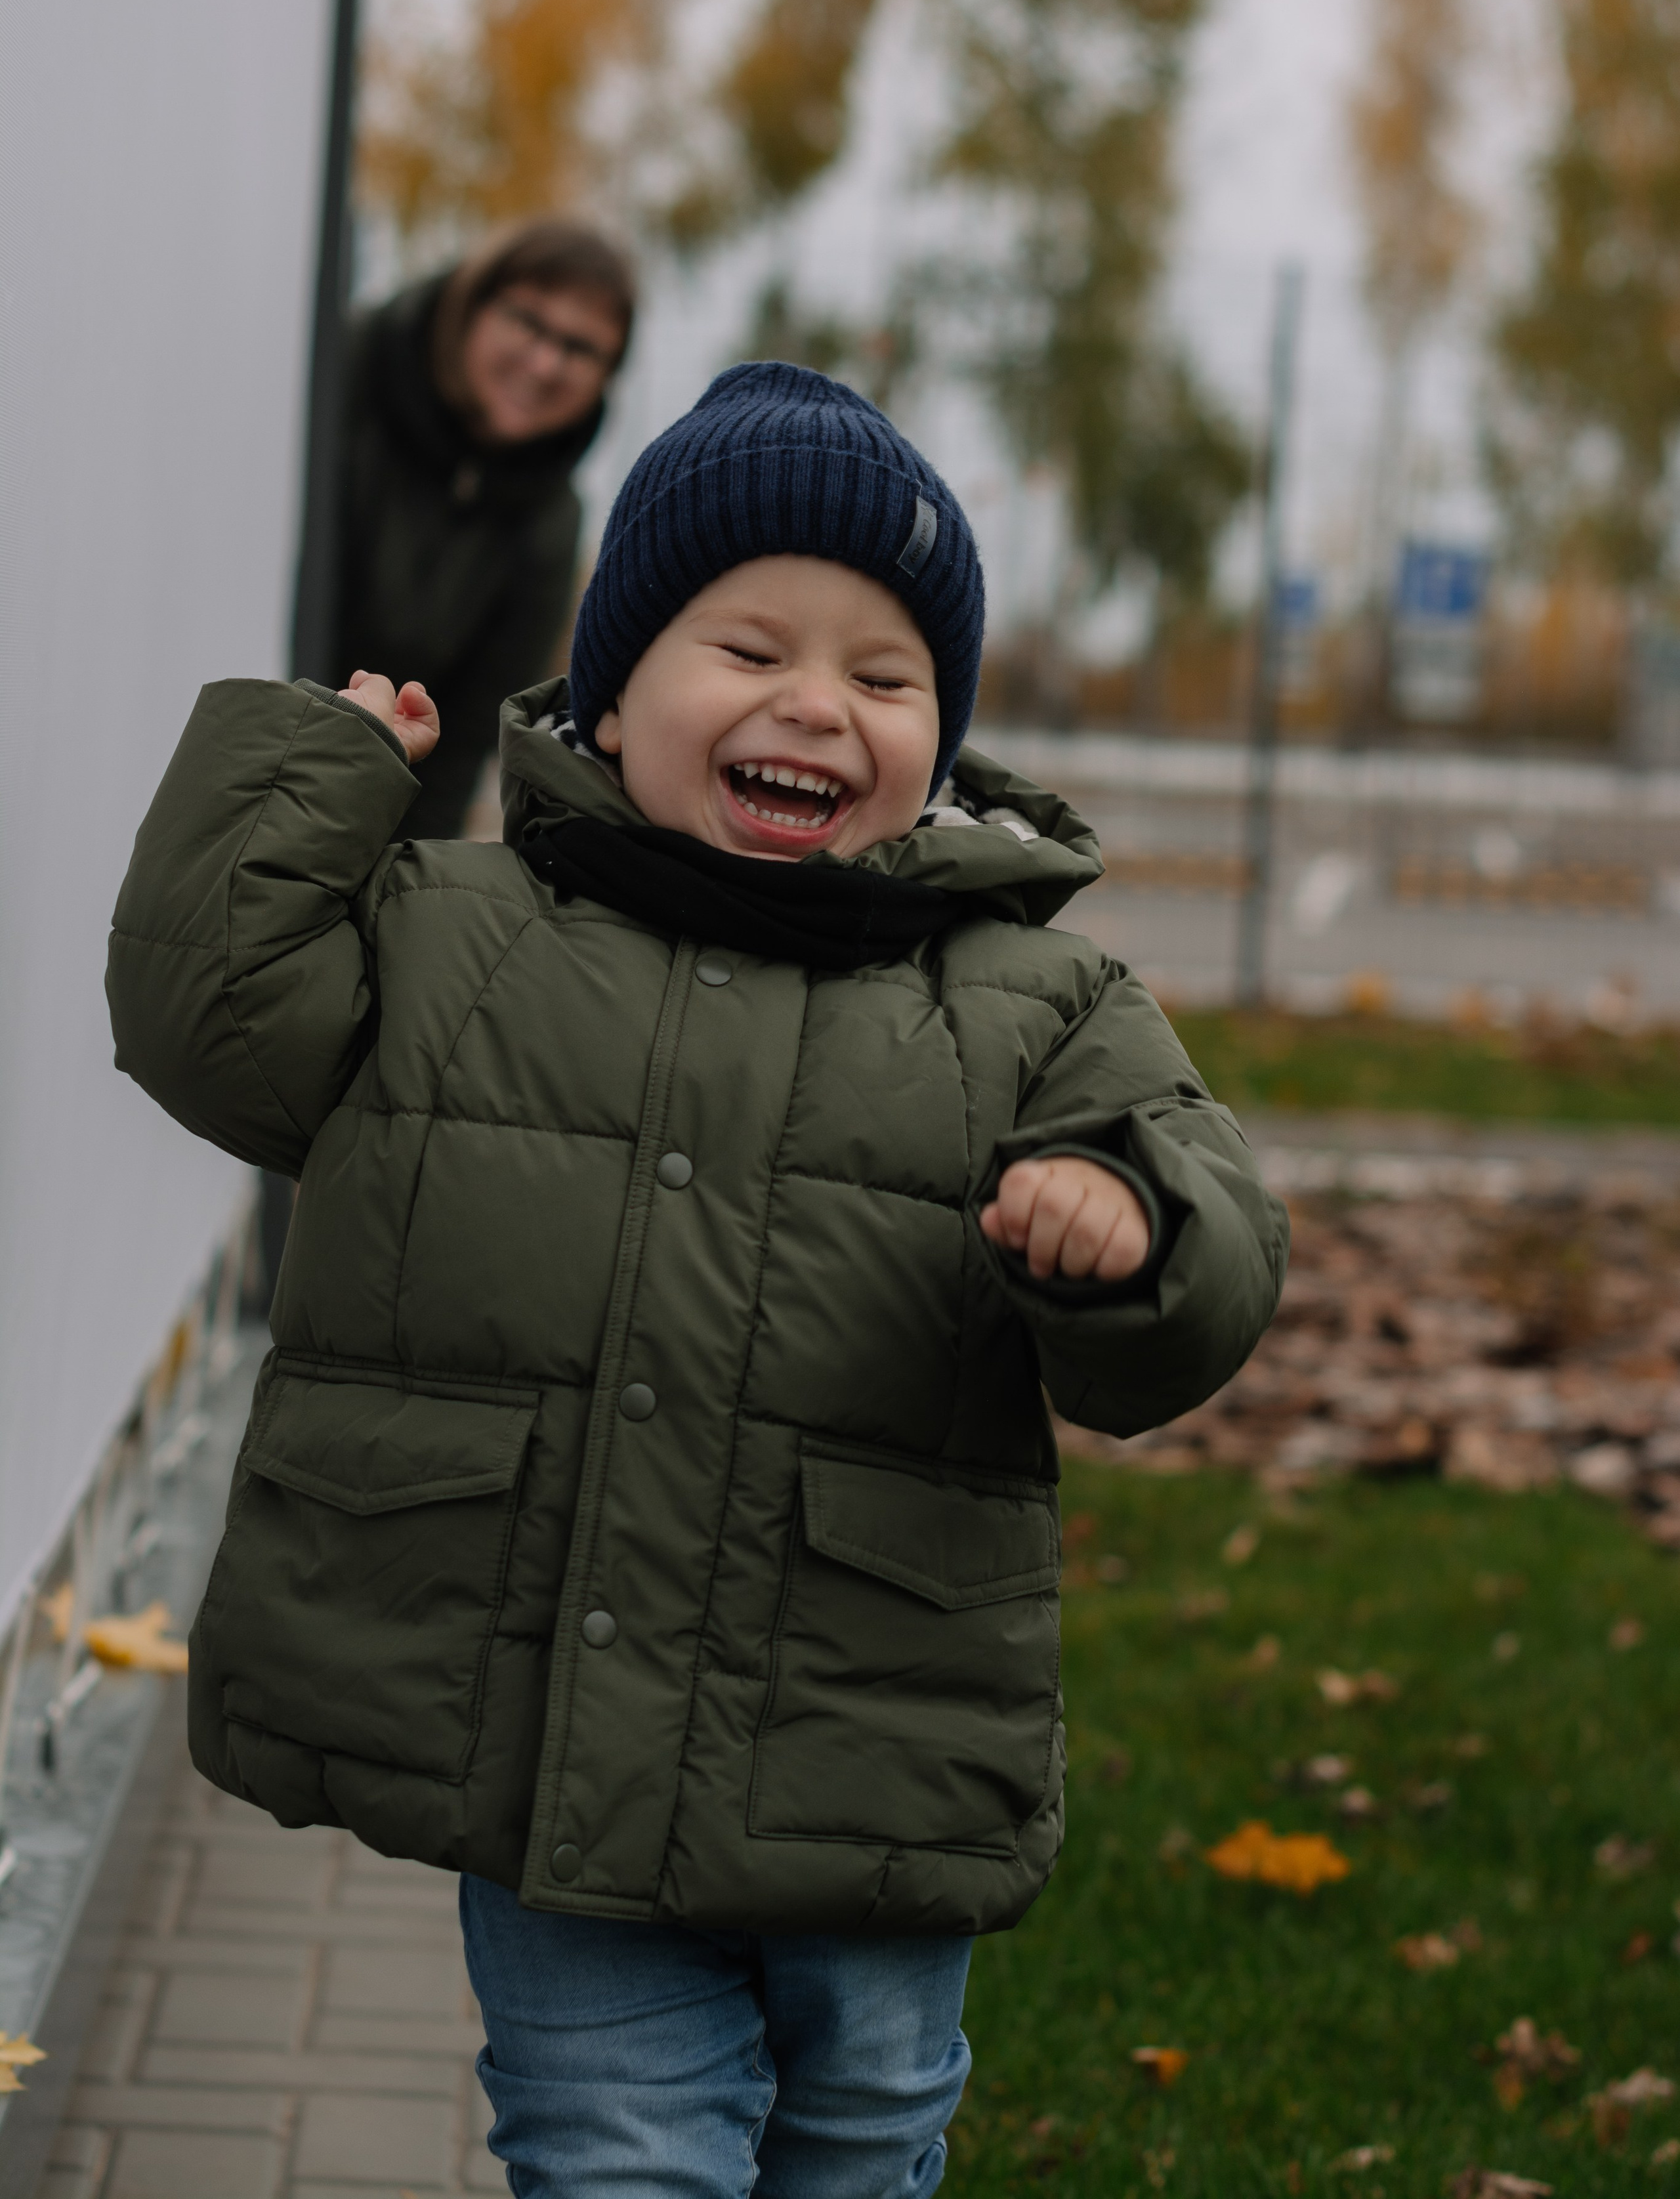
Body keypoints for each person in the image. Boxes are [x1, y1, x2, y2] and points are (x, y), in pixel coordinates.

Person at [107, 361, 1288, 2199]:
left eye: (886, 678)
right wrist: (313, 775)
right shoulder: (454, 940)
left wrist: (1131, 1226)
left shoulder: (1038, 1004)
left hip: (878, 1744)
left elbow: (1210, 1253)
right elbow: (209, 1023)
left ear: (941, 732)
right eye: (750, 649)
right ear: (615, 685)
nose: (818, 704)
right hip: (558, 1755)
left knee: (867, 2144)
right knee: (616, 2154)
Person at [333, 218, 635, 836]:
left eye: (581, 349)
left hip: (361, 808)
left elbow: (459, 743)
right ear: (473, 305)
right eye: (529, 322)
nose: (547, 362)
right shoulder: (339, 381)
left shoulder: (551, 523)